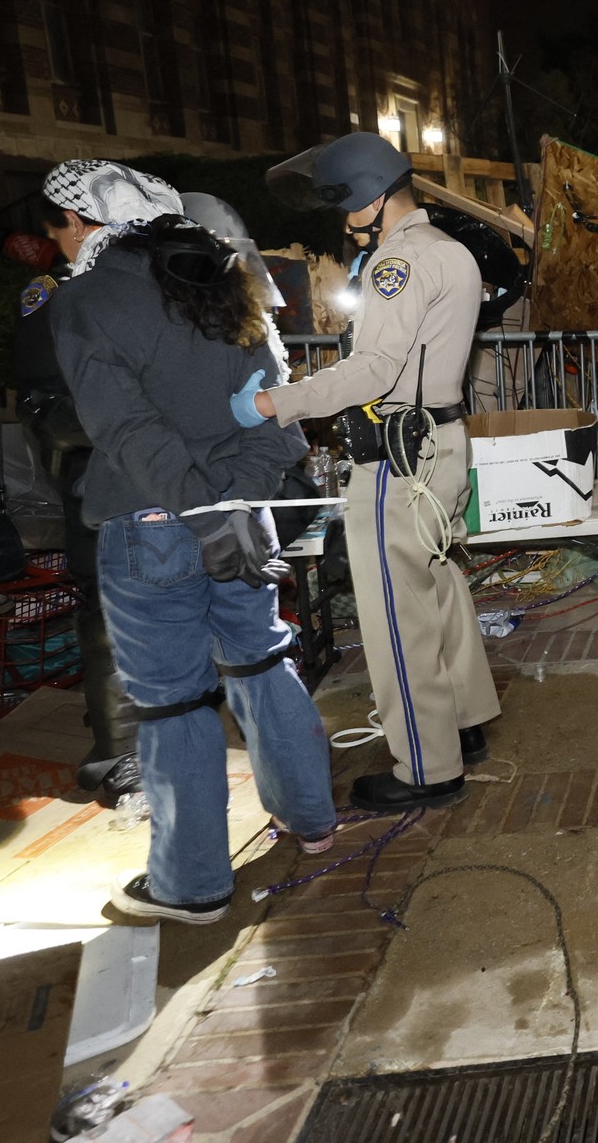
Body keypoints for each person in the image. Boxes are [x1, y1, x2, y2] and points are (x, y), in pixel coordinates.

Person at [43, 160, 337, 924]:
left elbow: (128, 431)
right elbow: (280, 410)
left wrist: (202, 512)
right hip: (244, 514)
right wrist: (231, 502)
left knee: (172, 706)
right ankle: (311, 821)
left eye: (57, 229)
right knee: (264, 659)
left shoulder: (86, 299)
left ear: (81, 223)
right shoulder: (224, 275)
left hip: (154, 525)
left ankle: (192, 885)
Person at [238, 131, 501, 811]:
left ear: (371, 198)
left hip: (396, 456)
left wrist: (275, 401)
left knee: (396, 616)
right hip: (438, 444)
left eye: (344, 206)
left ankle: (426, 765)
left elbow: (375, 370)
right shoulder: (448, 249)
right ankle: (465, 722)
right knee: (440, 589)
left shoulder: (398, 262)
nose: (342, 222)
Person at [11, 183, 146, 808]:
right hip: (98, 478)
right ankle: (118, 753)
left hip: (156, 476)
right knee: (108, 619)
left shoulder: (141, 285)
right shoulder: (53, 298)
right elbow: (43, 404)